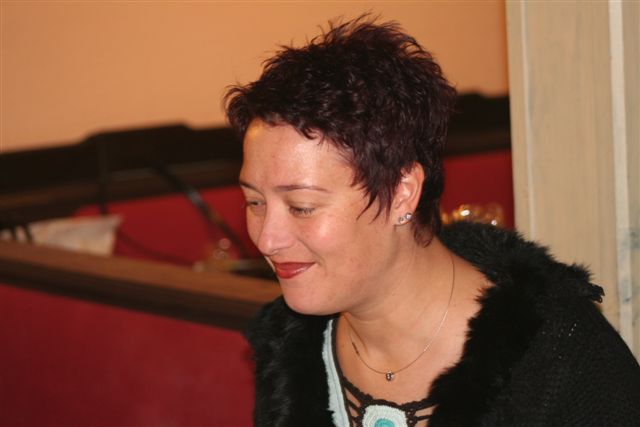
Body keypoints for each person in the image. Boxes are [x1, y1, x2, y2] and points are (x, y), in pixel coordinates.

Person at [224, 16, 640, 427]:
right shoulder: (289, 351)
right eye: (254, 202)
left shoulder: (556, 355)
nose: (267, 239)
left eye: (301, 207)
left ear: (402, 192)